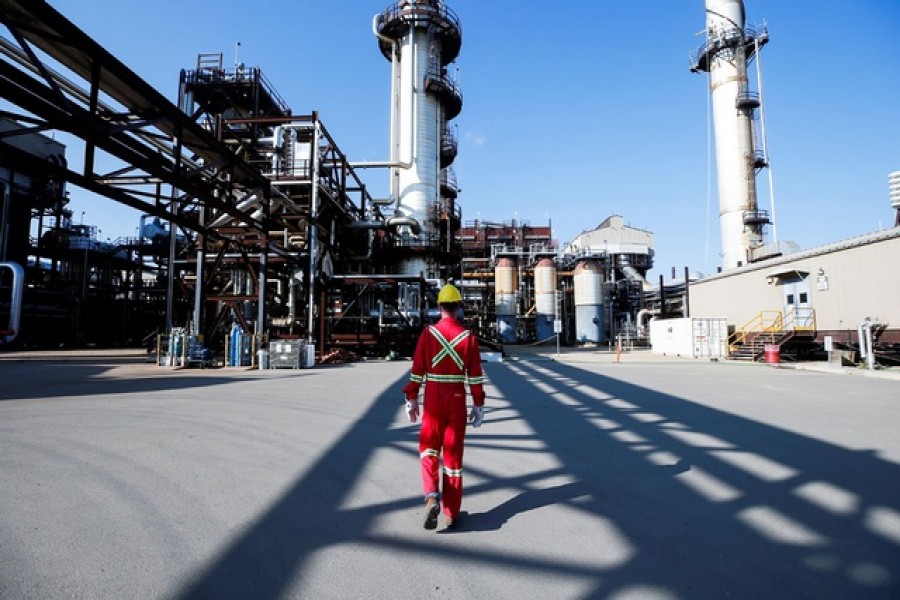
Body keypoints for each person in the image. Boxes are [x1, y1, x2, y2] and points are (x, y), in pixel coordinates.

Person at [403, 283, 486, 530]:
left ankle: (431, 497)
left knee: (429, 449)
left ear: (439, 306)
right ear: (458, 307)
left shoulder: (428, 335)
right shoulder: (468, 338)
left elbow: (417, 371)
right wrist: (479, 404)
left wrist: (411, 398)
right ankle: (451, 512)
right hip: (457, 400)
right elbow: (476, 376)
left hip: (433, 399)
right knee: (453, 457)